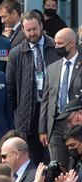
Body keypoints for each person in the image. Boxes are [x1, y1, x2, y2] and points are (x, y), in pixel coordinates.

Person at [6, 11, 60, 165]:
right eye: (28, 30)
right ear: (23, 30)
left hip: (52, 111)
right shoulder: (16, 53)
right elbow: (11, 89)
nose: (32, 33)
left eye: (35, 29)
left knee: (54, 160)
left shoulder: (55, 47)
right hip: (28, 114)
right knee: (32, 161)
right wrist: (17, 115)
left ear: (41, 26)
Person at [39, 28, 82, 169]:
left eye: (60, 44)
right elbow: (46, 100)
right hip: (55, 124)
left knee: (76, 168)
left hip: (76, 125)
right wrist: (43, 129)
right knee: (58, 168)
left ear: (71, 44)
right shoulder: (52, 68)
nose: (56, 47)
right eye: (55, 43)